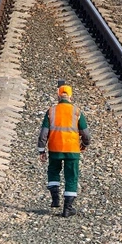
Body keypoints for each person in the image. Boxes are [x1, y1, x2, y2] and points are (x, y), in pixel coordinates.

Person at [38, 82, 91, 217]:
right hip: (73, 150)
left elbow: (44, 133)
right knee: (71, 177)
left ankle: (55, 199)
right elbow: (85, 133)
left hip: (55, 149)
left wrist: (41, 150)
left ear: (58, 96)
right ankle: (67, 208)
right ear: (70, 97)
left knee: (53, 171)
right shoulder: (76, 111)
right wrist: (85, 144)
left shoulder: (51, 111)